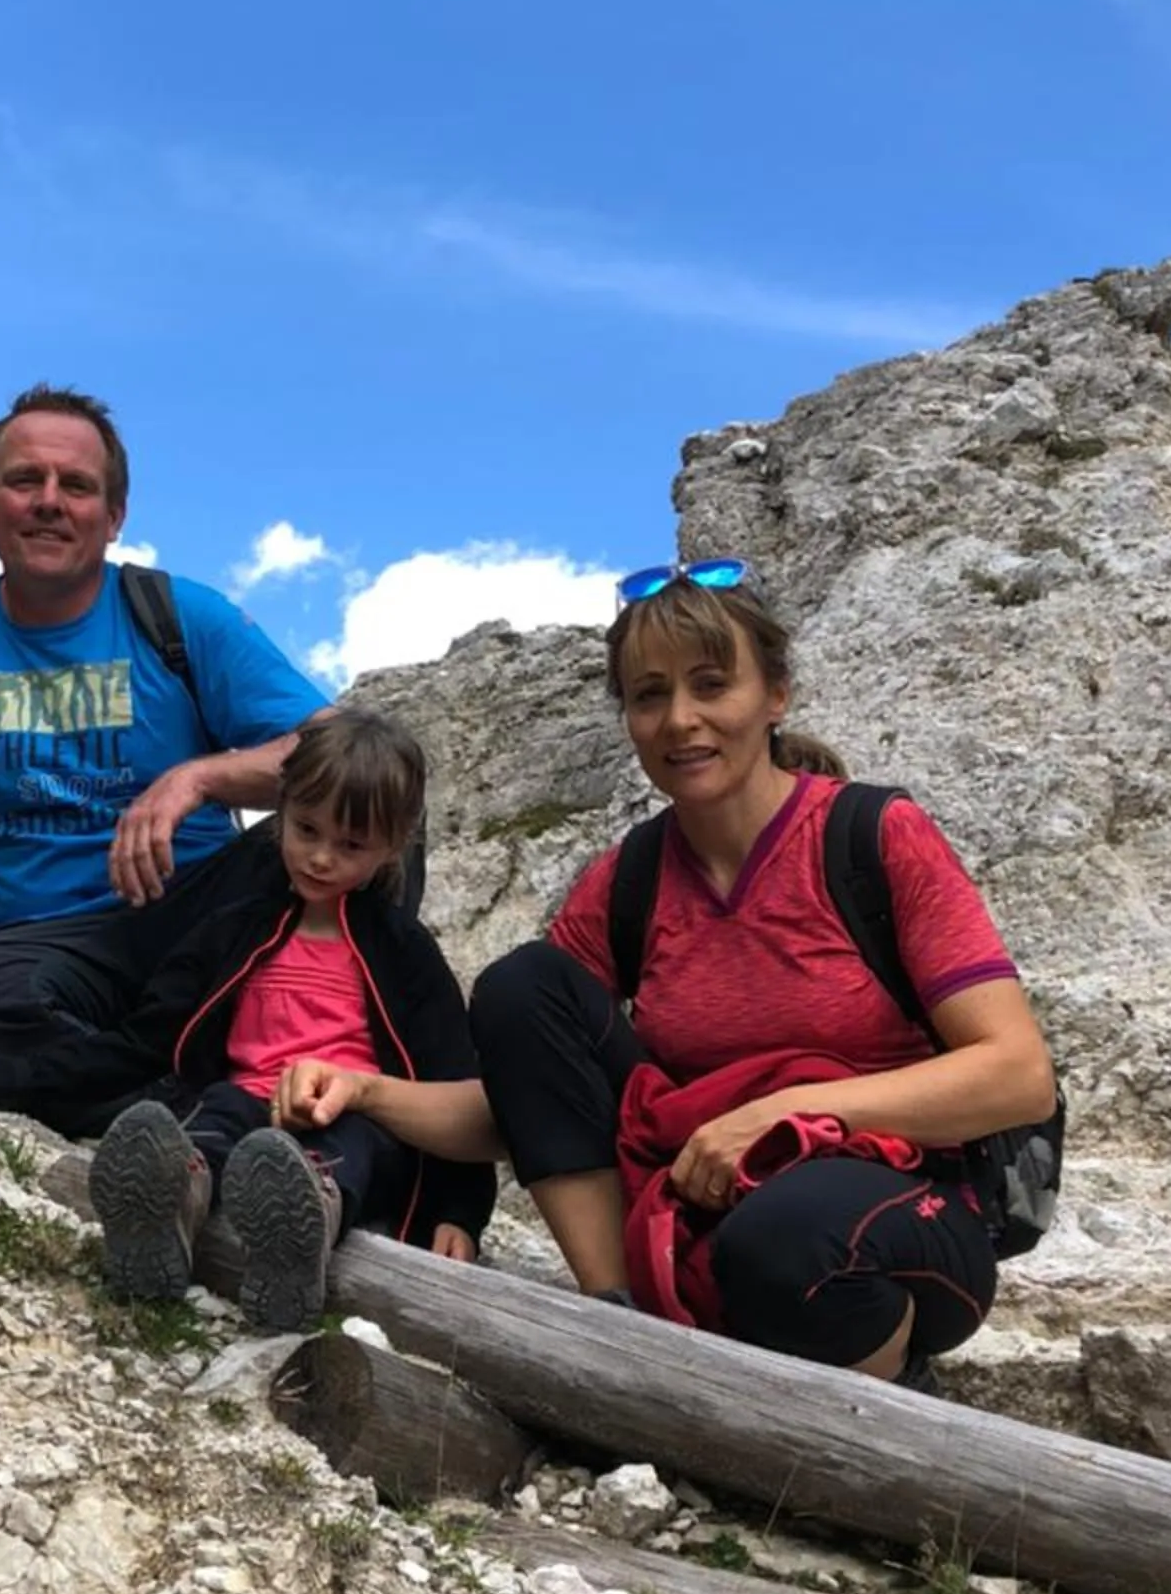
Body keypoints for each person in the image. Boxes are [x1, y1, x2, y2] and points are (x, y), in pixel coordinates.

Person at [281, 563, 1056, 1384]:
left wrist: (780, 1113)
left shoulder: (873, 837)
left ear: (776, 695)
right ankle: (624, 1326)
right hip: (706, 1203)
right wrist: (365, 1092)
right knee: (522, 986)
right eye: (650, 695)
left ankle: (887, 1382)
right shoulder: (629, 882)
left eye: (711, 685)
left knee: (784, 1240)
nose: (680, 719)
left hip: (901, 1203)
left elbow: (1018, 1076)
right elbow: (532, 1106)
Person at [0, 710, 493, 1333]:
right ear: (281, 810)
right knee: (213, 1120)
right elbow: (138, 1044)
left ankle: (301, 1227)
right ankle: (168, 1210)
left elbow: (455, 1086)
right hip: (246, 1105)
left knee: (350, 1143)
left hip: (354, 1117)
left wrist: (458, 1211)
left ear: (393, 847)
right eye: (306, 829)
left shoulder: (407, 955)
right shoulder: (231, 930)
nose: (321, 857)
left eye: (351, 846)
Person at [0, 385, 330, 1135]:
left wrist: (200, 778)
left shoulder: (179, 617)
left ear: (114, 516)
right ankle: (188, 1112)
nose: (49, 502)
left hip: (201, 917)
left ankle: (179, 1090)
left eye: (76, 486)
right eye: (25, 480)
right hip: (45, 947)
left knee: (373, 805)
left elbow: (338, 749)